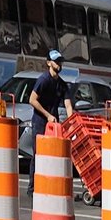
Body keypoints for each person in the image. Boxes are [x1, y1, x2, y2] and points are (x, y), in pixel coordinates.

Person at [27, 50, 74, 195]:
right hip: (41, 121)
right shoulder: (44, 80)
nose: (59, 64)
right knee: (39, 154)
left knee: (53, 155)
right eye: (56, 61)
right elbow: (32, 99)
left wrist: (71, 122)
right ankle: (32, 187)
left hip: (54, 125)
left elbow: (68, 105)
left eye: (60, 61)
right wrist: (47, 115)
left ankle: (49, 185)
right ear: (49, 63)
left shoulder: (61, 84)